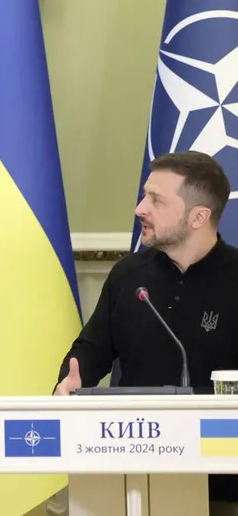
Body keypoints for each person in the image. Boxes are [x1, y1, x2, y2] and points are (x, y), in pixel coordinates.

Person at [54, 150, 238, 515]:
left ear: (199, 217)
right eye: (144, 196)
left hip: (221, 483)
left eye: (156, 200)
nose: (140, 209)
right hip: (129, 473)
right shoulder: (129, 274)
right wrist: (70, 382)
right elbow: (91, 349)